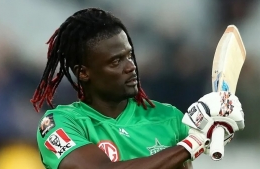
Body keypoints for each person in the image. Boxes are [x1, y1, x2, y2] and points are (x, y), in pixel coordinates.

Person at [31, 8, 244, 169]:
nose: (131, 67)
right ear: (83, 72)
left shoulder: (168, 117)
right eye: (116, 61)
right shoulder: (57, 124)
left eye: (129, 55)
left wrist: (218, 123)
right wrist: (192, 144)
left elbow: (207, 134)